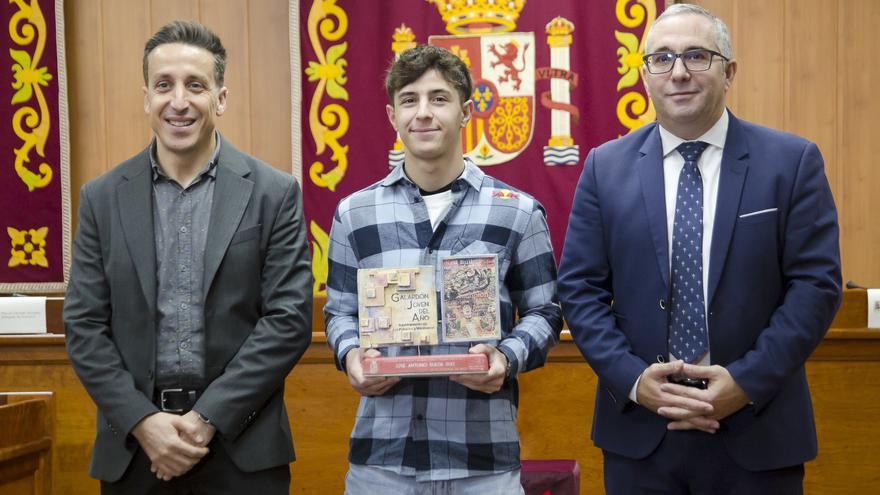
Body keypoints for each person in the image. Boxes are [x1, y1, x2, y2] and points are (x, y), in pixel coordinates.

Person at [557, 4, 842, 494]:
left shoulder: (791, 162)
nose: (679, 72)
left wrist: (746, 382)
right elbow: (579, 290)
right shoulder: (605, 168)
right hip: (641, 434)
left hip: (757, 428)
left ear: (728, 71)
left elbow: (816, 287)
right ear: (645, 75)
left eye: (696, 56)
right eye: (662, 59)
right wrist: (633, 379)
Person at [63, 20, 312, 494]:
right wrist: (143, 421)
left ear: (220, 98)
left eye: (195, 85)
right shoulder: (101, 198)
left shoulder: (273, 193)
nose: (178, 101)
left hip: (243, 448)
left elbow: (288, 319)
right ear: (146, 99)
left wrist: (206, 418)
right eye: (164, 86)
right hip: (135, 452)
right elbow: (84, 326)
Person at [324, 44, 563, 493]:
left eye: (439, 98)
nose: (424, 113)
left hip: (482, 463)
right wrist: (351, 355)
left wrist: (506, 358)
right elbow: (339, 313)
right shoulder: (354, 214)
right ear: (393, 116)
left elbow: (546, 312)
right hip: (382, 462)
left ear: (466, 111)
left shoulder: (518, 212)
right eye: (410, 100)